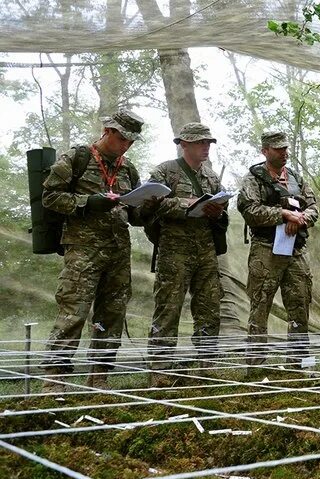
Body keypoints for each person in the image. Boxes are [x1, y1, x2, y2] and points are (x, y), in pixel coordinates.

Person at [39, 109, 147, 392]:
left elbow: (134, 215)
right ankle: (54, 379)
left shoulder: (128, 168)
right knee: (74, 310)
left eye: (132, 141)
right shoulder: (78, 158)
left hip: (118, 250)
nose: (127, 145)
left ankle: (99, 378)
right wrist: (88, 202)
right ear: (108, 132)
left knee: (111, 315)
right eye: (123, 138)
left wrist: (150, 205)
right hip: (83, 250)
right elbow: (49, 196)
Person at [146, 122, 228, 386]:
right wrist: (187, 203)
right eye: (200, 142)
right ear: (184, 144)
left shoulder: (211, 176)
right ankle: (160, 368)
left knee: (209, 307)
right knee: (168, 307)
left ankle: (207, 364)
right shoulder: (165, 171)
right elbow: (152, 203)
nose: (206, 147)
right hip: (174, 249)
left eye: (208, 143)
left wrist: (218, 211)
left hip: (205, 249)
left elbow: (220, 206)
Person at [237, 131, 318, 369]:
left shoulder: (296, 178)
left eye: (285, 148)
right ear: (265, 151)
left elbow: (313, 207)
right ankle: (257, 365)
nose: (284, 153)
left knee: (300, 305)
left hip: (296, 249)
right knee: (260, 305)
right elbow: (250, 210)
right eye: (278, 149)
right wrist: (282, 215)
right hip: (266, 250)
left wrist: (301, 218)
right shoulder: (253, 179)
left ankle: (299, 364)